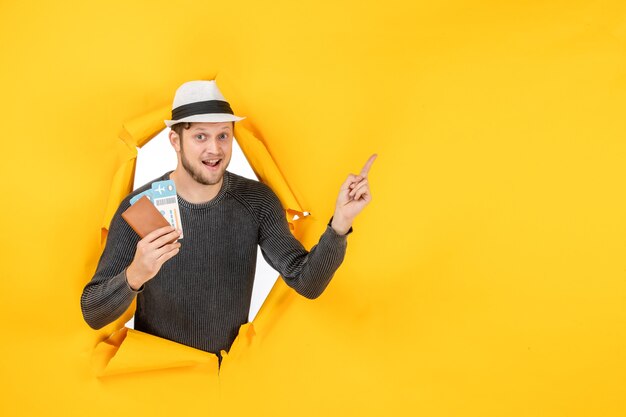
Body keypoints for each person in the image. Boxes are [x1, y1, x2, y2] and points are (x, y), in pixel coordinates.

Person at [80, 80, 376, 358]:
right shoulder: (141, 207)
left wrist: (340, 224)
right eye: (200, 136)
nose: (215, 149)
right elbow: (93, 313)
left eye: (223, 135)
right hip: (159, 378)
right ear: (175, 140)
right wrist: (136, 274)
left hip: (229, 381)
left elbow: (307, 283)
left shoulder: (257, 201)